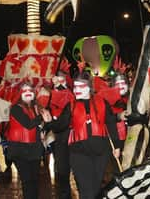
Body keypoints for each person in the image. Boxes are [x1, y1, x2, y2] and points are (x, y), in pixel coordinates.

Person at [58, 68, 120, 199]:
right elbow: (60, 125)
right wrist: (47, 122)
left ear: (89, 87)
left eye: (80, 86)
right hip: (79, 153)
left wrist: (117, 145)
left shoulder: (102, 102)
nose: (76, 90)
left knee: (96, 189)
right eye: (75, 87)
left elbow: (111, 123)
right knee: (87, 191)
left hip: (101, 153)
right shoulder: (70, 105)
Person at [7, 82, 52, 199]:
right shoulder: (16, 109)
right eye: (24, 90)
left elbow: (41, 127)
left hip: (34, 149)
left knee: (34, 181)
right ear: (20, 93)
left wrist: (47, 121)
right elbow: (28, 124)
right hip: (20, 149)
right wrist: (42, 116)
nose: (28, 92)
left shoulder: (36, 108)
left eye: (30, 90)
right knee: (27, 181)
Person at [43, 63, 74, 199]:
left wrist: (50, 123)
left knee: (74, 169)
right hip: (58, 138)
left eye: (62, 79)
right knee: (62, 170)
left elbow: (65, 118)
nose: (59, 82)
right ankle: (64, 195)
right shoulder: (49, 96)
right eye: (57, 79)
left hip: (71, 137)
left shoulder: (71, 94)